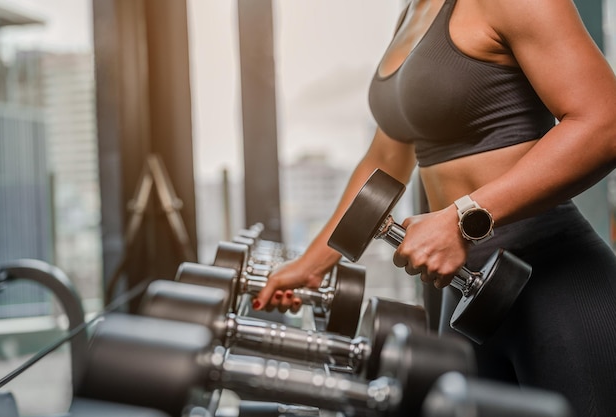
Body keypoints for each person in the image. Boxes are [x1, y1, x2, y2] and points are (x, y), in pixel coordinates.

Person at [252, 0, 616, 415]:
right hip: (463, 295)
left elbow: (604, 125)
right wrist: (313, 263)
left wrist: (462, 220)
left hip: (554, 282)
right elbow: (387, 161)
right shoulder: (414, 10)